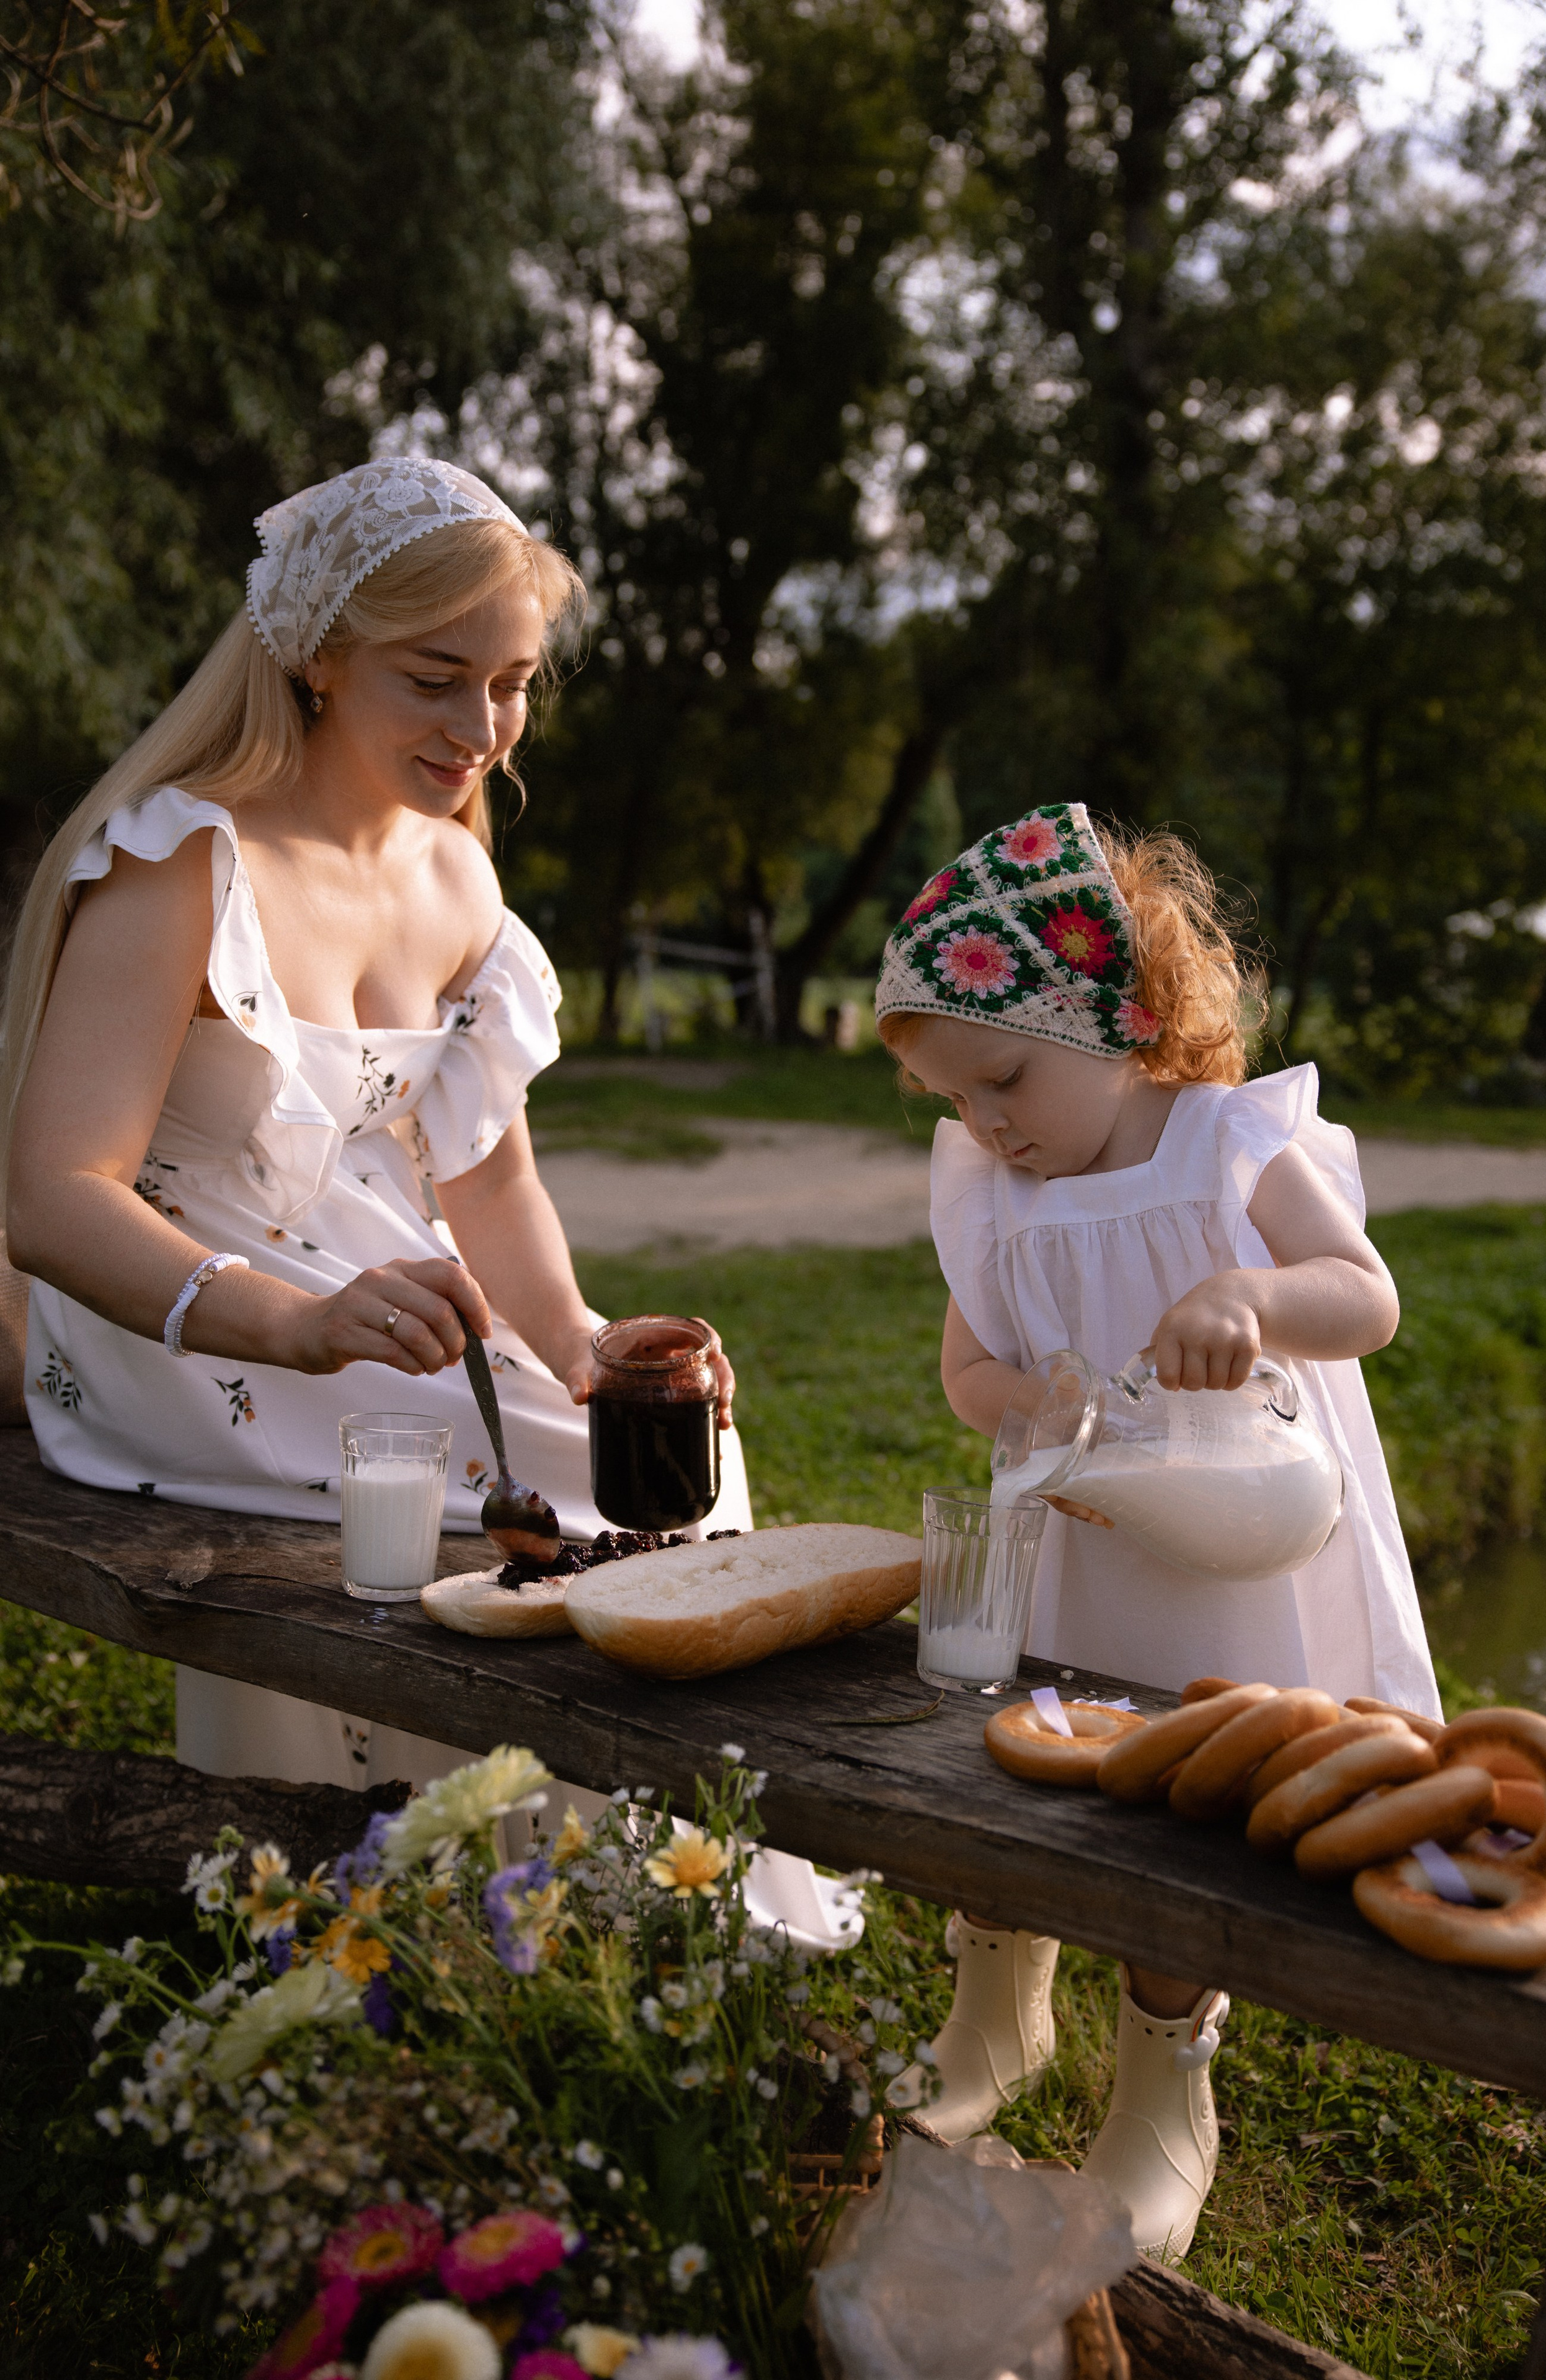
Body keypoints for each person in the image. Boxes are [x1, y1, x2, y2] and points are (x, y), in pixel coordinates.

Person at [0, 456, 753, 1794]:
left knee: (664, 1450)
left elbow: (490, 1173)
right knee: (477, 1479)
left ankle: (589, 1888)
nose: (484, 723)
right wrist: (290, 1324)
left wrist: (579, 1339)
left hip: (363, 1304)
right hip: (188, 1325)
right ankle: (404, 1863)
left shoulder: (454, 868)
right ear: (316, 660)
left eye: (514, 681)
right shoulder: (186, 861)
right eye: (435, 674)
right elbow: (55, 1195)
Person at [874, 802, 1439, 2263]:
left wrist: (1252, 1299)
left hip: (1232, 1558)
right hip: (1085, 1541)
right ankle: (992, 2010)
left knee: (1183, 1806)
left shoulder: (1222, 1143)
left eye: (1002, 1076)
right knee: (1030, 1775)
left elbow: (1361, 1295)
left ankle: (1161, 2084)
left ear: (1117, 1016)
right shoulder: (997, 1193)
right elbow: (966, 1374)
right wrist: (1030, 1400)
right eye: (953, 1098)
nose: (986, 1122)